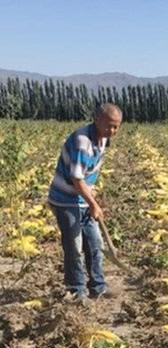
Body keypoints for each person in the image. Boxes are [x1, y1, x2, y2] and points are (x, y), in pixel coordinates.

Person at [48, 103, 123, 302]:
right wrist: (94, 203)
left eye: (116, 127)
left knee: (95, 243)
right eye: (109, 125)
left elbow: (89, 173)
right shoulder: (83, 141)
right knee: (74, 246)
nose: (112, 131)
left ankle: (98, 286)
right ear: (96, 119)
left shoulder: (104, 140)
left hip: (82, 198)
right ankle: (76, 290)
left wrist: (92, 196)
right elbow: (76, 178)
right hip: (65, 199)